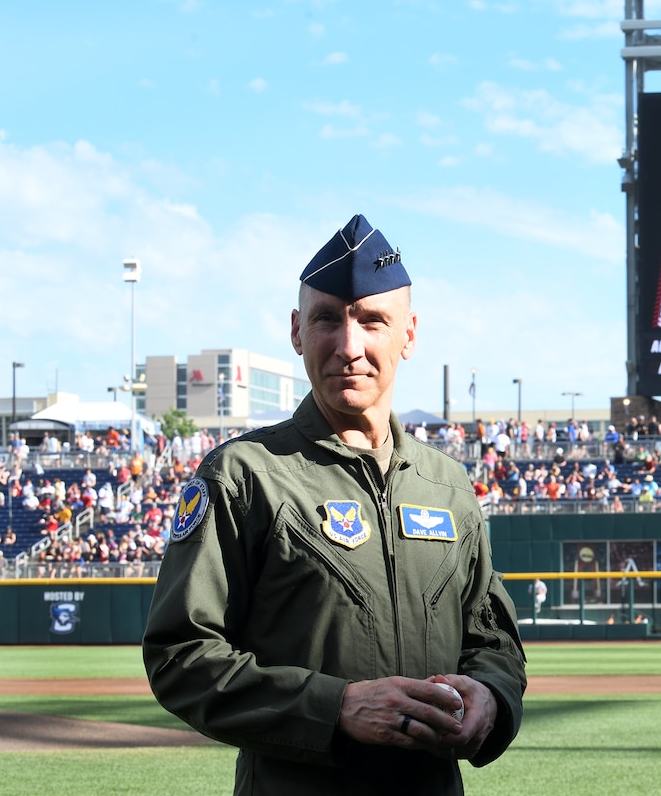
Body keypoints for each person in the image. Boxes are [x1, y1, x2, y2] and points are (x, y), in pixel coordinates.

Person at [142, 215, 527, 796]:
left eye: (374, 321)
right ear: (297, 331)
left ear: (409, 334)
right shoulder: (244, 476)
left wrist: (491, 699)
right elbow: (181, 655)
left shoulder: (447, 485)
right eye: (328, 319)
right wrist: (334, 708)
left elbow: (492, 640)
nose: (350, 346)